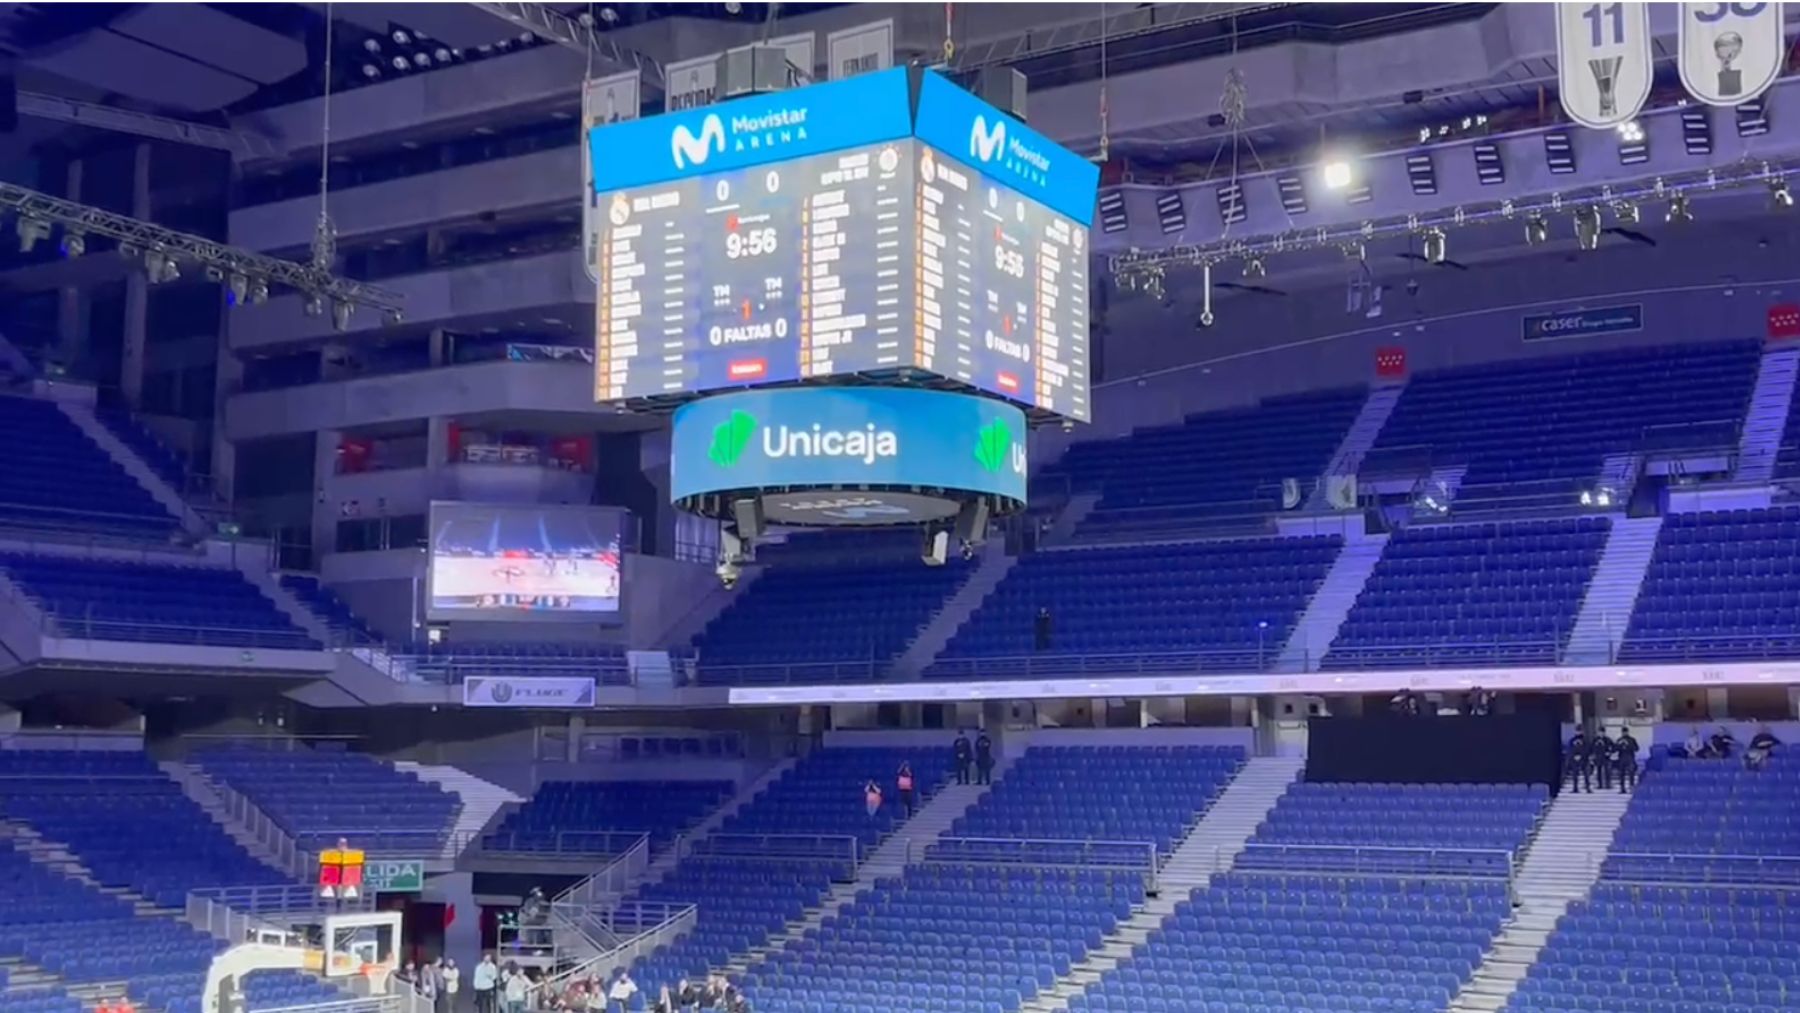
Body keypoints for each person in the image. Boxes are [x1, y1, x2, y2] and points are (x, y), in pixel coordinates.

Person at [1614, 727, 1640, 792]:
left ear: (1628, 732)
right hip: (1621, 758)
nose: (1624, 733)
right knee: (1621, 774)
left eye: (1625, 732)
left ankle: (1631, 787)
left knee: (1631, 773)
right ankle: (1622, 788)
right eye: (1623, 732)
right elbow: (1614, 749)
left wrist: (1628, 744)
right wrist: (1619, 745)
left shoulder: (1632, 739)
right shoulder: (1619, 740)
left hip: (1630, 757)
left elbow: (1636, 748)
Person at [1564, 729, 1589, 794]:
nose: (1578, 732)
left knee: (1586, 774)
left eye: (1580, 731)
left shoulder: (1585, 740)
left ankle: (1588, 788)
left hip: (1583, 759)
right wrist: (1574, 756)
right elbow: (1570, 749)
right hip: (1574, 760)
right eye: (1577, 731)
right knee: (1575, 774)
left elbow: (1587, 749)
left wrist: (1581, 756)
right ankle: (1575, 788)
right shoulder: (1572, 740)